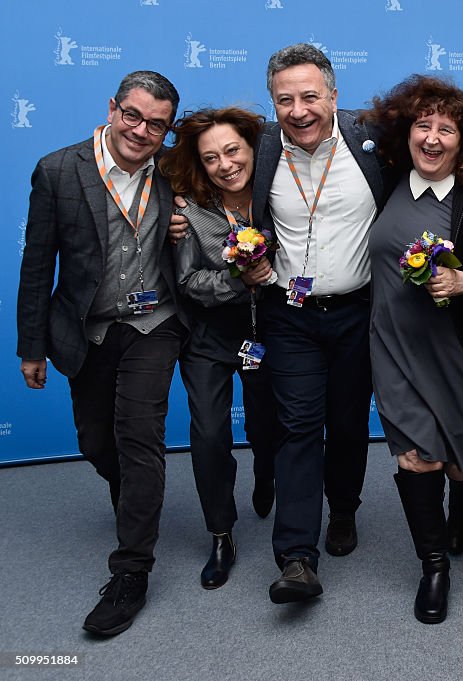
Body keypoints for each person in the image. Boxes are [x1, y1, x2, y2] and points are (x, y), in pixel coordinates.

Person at [17, 71, 188, 635]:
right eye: (133, 116)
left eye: (157, 125)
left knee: (141, 437)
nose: (142, 131)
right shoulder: (59, 170)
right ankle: (130, 497)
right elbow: (38, 264)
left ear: (168, 130)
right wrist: (32, 346)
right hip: (87, 328)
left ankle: (131, 570)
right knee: (96, 441)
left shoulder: (176, 172)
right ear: (113, 108)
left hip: (154, 322)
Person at [360, 75, 463, 624]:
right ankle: (434, 565)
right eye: (422, 125)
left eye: (446, 129)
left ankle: (461, 509)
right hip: (395, 348)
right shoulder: (385, 178)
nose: (432, 137)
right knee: (417, 457)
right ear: (406, 134)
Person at [254, 44, 391, 603]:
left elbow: (444, 151)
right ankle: (296, 557)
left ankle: (344, 510)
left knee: (350, 424)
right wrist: (179, 221)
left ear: (334, 96)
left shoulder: (371, 142)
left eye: (311, 96)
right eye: (285, 99)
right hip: (291, 316)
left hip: (360, 313)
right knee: (299, 429)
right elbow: (200, 168)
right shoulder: (261, 148)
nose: (299, 110)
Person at [159, 107, 284, 590]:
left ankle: (268, 471)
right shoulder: (188, 208)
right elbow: (188, 279)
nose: (225, 164)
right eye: (211, 158)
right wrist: (237, 278)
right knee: (210, 433)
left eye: (233, 150)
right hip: (209, 333)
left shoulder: (282, 195)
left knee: (267, 425)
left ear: (254, 148)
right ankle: (220, 534)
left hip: (270, 330)